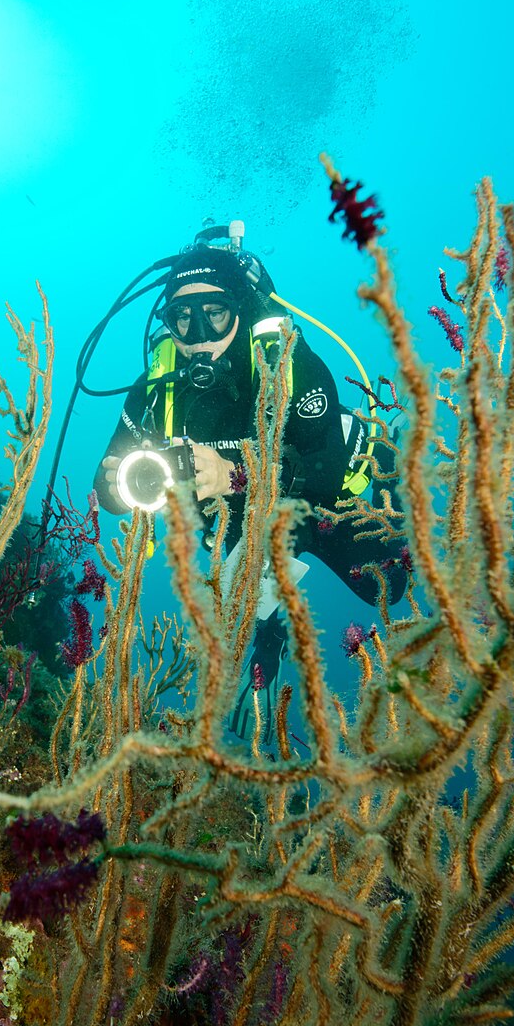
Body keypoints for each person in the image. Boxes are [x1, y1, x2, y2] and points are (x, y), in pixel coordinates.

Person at [92, 243, 404, 717]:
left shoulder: (287, 361)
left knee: (388, 588)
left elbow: (323, 471)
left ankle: (388, 447)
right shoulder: (159, 383)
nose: (198, 336)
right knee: (236, 592)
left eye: (214, 314)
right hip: (240, 525)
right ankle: (271, 628)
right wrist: (124, 484)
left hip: (326, 501)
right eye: (182, 318)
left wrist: (234, 474)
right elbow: (107, 485)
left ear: (238, 309)